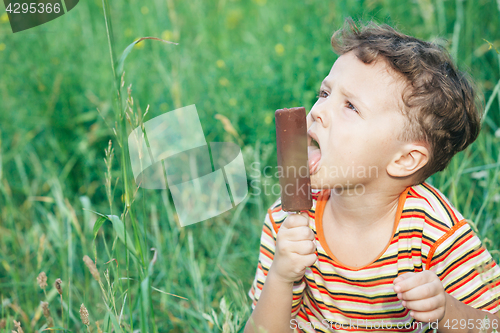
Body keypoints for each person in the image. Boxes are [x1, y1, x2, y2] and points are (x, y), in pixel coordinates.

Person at [244, 18, 500, 333]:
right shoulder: (289, 223)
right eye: (325, 94)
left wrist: (446, 310)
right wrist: (282, 275)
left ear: (406, 159)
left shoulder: (435, 231)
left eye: (350, 106)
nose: (317, 112)